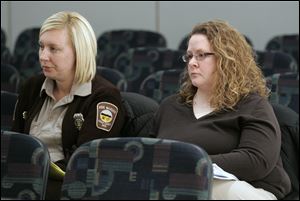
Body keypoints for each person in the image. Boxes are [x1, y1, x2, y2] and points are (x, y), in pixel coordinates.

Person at [150, 20, 291, 200]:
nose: (192, 62)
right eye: (189, 56)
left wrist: (191, 163)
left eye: (201, 55)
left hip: (246, 188)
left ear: (227, 59)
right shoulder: (170, 106)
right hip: (176, 185)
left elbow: (256, 160)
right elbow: (151, 153)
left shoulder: (253, 105)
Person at [11, 11, 126, 199]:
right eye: (41, 47)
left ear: (79, 52)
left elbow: (85, 162)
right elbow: (15, 144)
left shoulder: (104, 97)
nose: (43, 56)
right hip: (22, 180)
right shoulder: (32, 87)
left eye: (53, 49)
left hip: (66, 187)